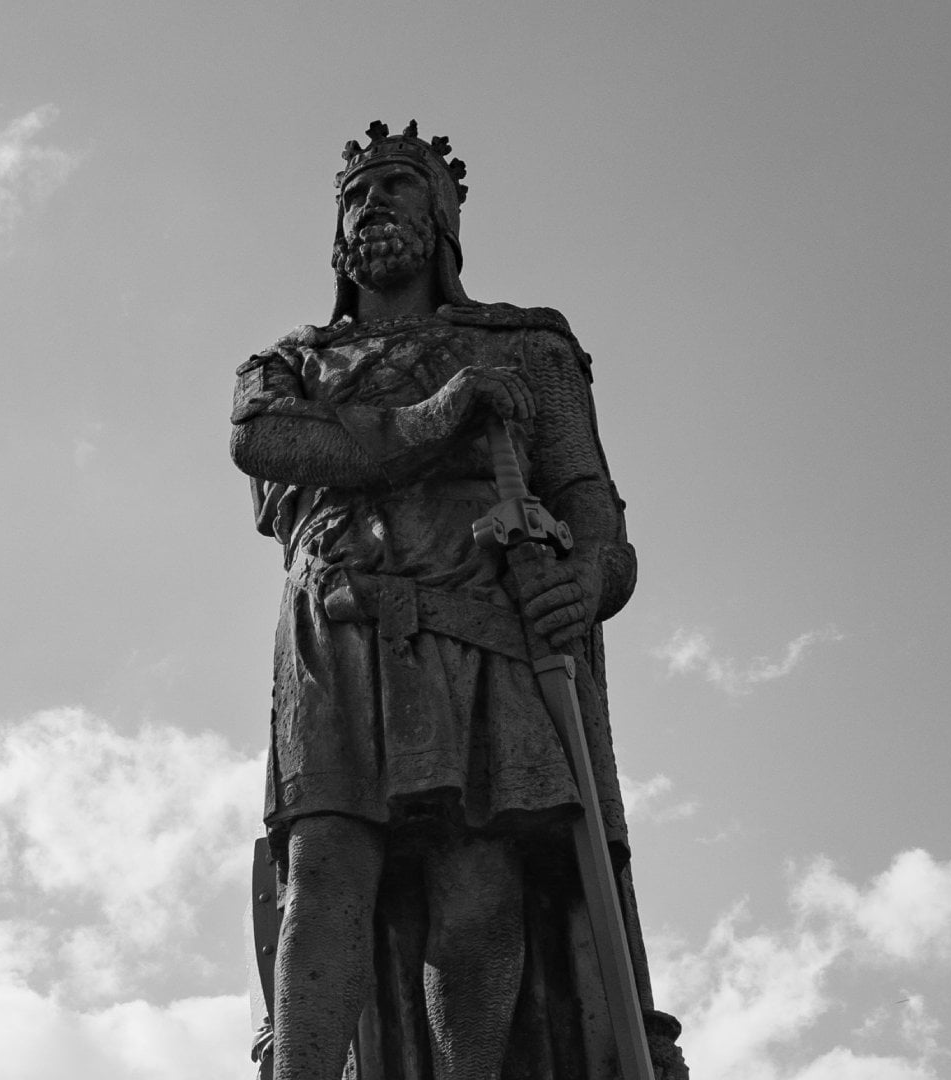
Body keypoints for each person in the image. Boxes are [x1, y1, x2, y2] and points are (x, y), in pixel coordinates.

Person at [230, 121, 685, 1080]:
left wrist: (587, 582)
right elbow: (270, 445)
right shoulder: (289, 365)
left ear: (441, 217)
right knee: (326, 864)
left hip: (488, 626)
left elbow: (590, 499)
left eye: (399, 187)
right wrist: (443, 414)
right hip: (343, 627)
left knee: (481, 882)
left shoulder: (527, 344)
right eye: (357, 195)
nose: (374, 205)